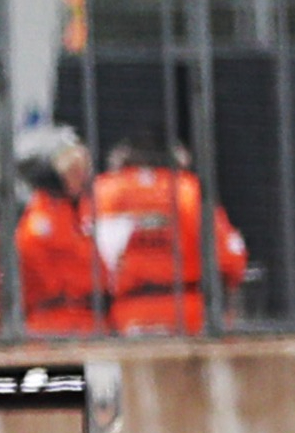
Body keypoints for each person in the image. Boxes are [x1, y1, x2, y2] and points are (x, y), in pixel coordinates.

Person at [78, 133, 254, 335]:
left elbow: (83, 257)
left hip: (127, 314)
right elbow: (231, 259)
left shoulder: (102, 191)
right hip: (186, 312)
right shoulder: (188, 190)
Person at [11, 123, 107, 333]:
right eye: (73, 170)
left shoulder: (86, 209)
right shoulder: (41, 220)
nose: (82, 178)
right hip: (55, 325)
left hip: (94, 323)